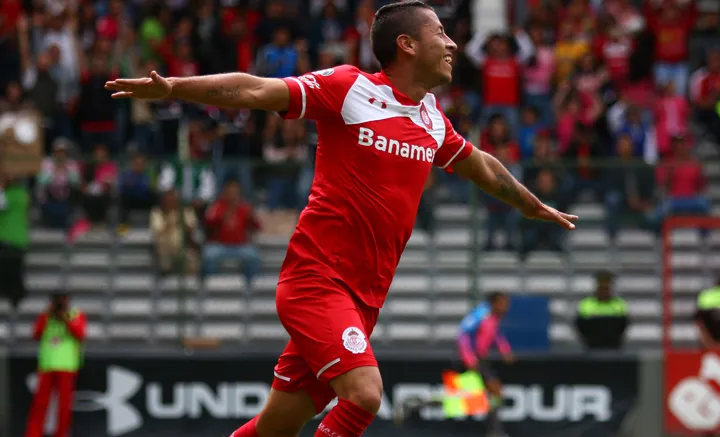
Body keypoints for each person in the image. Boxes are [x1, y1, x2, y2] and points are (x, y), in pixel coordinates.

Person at [105, 2, 578, 436]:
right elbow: (255, 88)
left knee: (274, 427)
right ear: (407, 44)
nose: (452, 43)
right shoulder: (351, 88)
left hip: (363, 300)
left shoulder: (432, 119)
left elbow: (481, 166)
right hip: (316, 282)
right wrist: (175, 87)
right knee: (365, 395)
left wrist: (531, 205)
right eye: (439, 32)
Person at [24, 292, 87, 437]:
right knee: (40, 405)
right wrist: (47, 314)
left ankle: (61, 434)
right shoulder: (46, 316)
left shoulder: (75, 314)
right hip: (47, 365)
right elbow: (36, 333)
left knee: (64, 406)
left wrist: (65, 318)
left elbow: (80, 333)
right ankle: (33, 434)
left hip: (67, 365)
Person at [456, 292, 515, 437]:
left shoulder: (495, 317)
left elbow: (496, 335)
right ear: (494, 303)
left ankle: (494, 430)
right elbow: (463, 334)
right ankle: (495, 431)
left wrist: (505, 350)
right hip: (470, 358)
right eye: (503, 304)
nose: (506, 307)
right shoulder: (481, 314)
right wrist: (468, 357)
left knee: (493, 392)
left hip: (480, 359)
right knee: (484, 393)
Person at [575, 271, 629, 350]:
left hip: (614, 346)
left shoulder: (619, 304)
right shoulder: (586, 303)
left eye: (606, 288)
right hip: (592, 346)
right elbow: (581, 325)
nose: (604, 291)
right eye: (601, 288)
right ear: (596, 288)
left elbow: (622, 325)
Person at [0, 177, 29, 309]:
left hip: (11, 239)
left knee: (12, 270)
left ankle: (14, 298)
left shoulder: (14, 194)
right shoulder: (20, 193)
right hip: (13, 239)